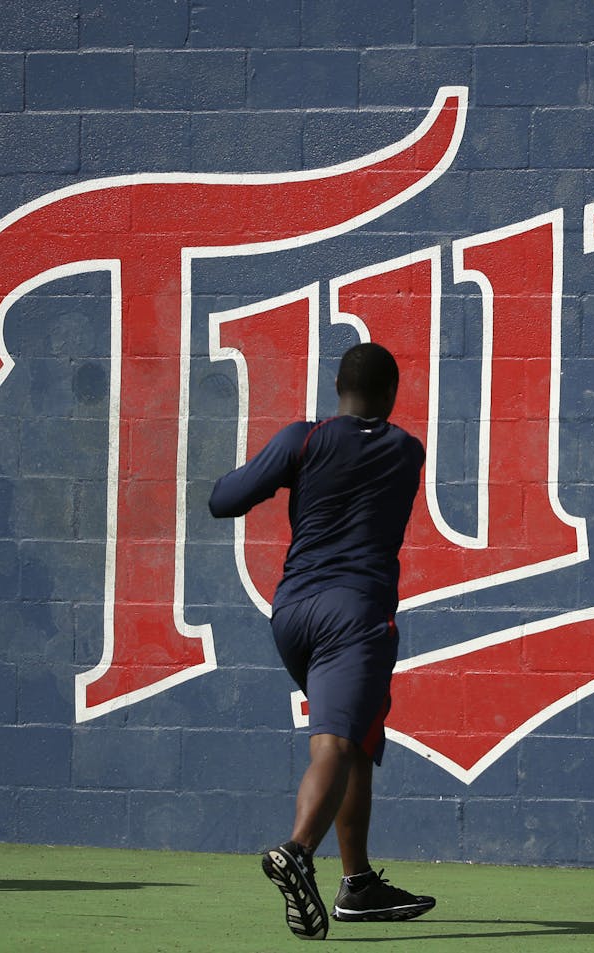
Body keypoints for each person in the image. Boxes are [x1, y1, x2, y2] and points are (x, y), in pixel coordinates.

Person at [209, 341, 434, 941]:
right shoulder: (407, 451)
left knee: (357, 739)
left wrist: (264, 471)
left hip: (291, 614)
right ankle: (299, 853)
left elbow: (223, 500)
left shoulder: (301, 439)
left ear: (337, 390)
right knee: (335, 743)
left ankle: (358, 884)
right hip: (353, 617)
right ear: (390, 395)